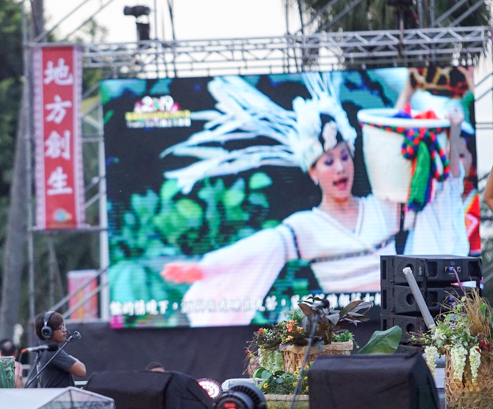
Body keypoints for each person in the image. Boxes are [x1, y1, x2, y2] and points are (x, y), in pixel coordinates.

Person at [161, 72, 469, 327]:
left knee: (437, 191)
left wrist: (450, 130)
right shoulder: (306, 226)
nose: (340, 167)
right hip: (341, 335)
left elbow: (413, 158)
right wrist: (206, 267)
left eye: (345, 156)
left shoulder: (382, 208)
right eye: (328, 161)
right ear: (312, 172)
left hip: (395, 326)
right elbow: (258, 248)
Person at [32, 311, 85, 388]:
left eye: (64, 325)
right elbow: (82, 371)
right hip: (61, 400)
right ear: (47, 332)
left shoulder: (43, 349)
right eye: (61, 327)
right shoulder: (52, 352)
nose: (65, 330)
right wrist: (70, 357)